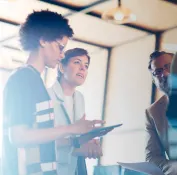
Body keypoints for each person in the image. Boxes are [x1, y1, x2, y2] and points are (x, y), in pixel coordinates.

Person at [2, 10, 103, 175]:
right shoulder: (22, 78)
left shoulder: (36, 82)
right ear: (42, 40)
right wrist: (71, 128)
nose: (62, 54)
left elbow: (40, 139)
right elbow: (18, 137)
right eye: (59, 46)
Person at [48, 48, 105, 175]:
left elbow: (77, 135)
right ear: (62, 68)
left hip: (73, 169)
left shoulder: (80, 98)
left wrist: (88, 141)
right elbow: (44, 139)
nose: (83, 68)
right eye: (77, 62)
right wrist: (77, 146)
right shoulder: (47, 96)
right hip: (53, 169)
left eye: (86, 65)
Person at [145, 51, 177, 175]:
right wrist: (175, 168)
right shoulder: (153, 112)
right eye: (158, 72)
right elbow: (152, 157)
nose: (165, 74)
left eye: (169, 67)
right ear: (154, 81)